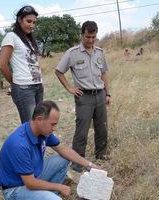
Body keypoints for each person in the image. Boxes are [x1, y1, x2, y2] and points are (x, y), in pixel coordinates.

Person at [0, 101, 100, 200]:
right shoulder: (19, 144)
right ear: (39, 120)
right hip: (16, 188)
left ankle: (49, 194)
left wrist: (90, 164)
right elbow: (30, 183)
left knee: (63, 159)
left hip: (33, 174)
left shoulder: (42, 131)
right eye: (52, 124)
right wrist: (59, 187)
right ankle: (50, 195)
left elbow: (63, 149)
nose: (54, 128)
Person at [55, 21, 111, 173]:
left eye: (93, 37)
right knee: (82, 131)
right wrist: (69, 88)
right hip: (84, 97)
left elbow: (104, 73)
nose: (90, 40)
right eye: (88, 37)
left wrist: (108, 93)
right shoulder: (72, 53)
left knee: (102, 128)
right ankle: (78, 163)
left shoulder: (100, 52)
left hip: (100, 94)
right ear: (82, 35)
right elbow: (59, 71)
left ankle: (101, 154)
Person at [0, 5, 44, 123]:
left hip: (38, 86)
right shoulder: (11, 36)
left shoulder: (29, 40)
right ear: (19, 19)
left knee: (39, 123)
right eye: (29, 21)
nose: (32, 25)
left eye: (34, 22)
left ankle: (40, 142)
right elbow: (2, 65)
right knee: (30, 126)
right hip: (24, 88)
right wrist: (15, 83)